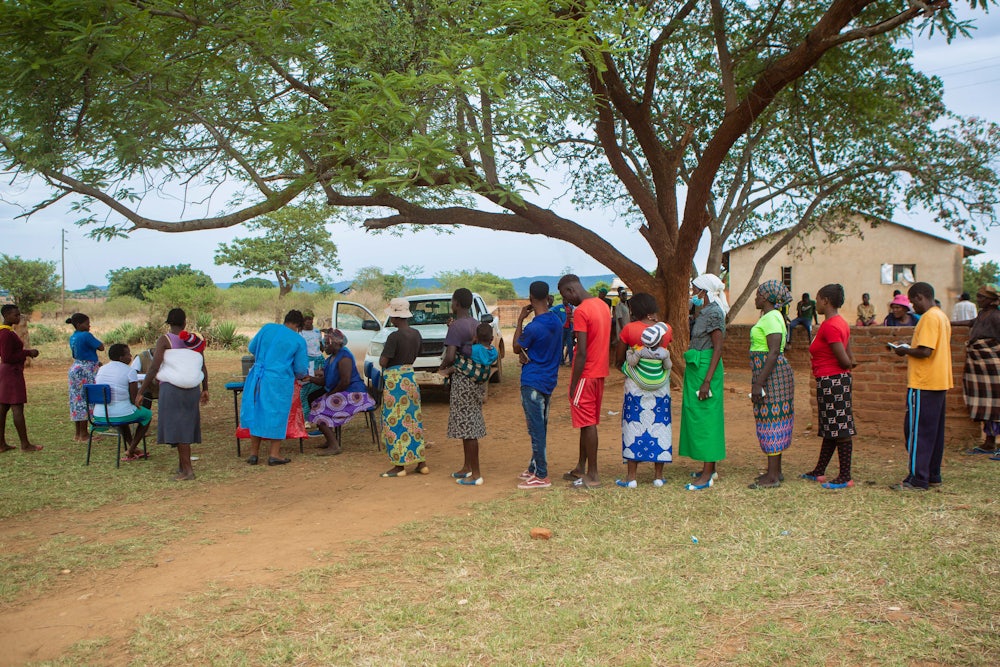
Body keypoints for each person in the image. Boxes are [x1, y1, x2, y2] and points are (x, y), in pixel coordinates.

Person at [890, 282, 952, 491]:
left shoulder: (928, 318)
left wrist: (905, 350)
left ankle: (917, 479)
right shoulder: (941, 316)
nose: (911, 306)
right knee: (932, 432)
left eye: (912, 301)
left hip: (923, 382)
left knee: (917, 432)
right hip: (939, 381)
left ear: (919, 297)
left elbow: (925, 351)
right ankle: (932, 474)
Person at [135, 308, 208, 481]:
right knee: (184, 427)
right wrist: (205, 388)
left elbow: (154, 367)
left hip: (172, 389)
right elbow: (202, 366)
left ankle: (188, 471)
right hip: (192, 389)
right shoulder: (195, 341)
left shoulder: (165, 340)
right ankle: (182, 466)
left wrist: (141, 390)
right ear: (184, 322)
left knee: (179, 428)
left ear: (169, 323)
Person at [614, 294, 672, 488]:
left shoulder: (629, 329)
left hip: (635, 385)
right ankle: (658, 476)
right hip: (661, 385)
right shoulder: (666, 329)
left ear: (634, 311)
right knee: (660, 424)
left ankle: (631, 477)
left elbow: (619, 358)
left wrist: (627, 366)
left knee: (634, 424)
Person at [801, 284, 857, 490]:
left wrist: (844, 368)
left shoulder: (831, 326)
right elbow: (851, 356)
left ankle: (845, 476)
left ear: (826, 301)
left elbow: (844, 360)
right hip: (832, 380)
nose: (816, 304)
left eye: (818, 299)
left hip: (833, 381)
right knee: (831, 428)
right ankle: (819, 471)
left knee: (841, 429)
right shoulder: (840, 323)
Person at [558, 274, 611, 489]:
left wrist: (573, 384)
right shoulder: (602, 306)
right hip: (599, 373)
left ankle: (593, 474)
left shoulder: (581, 312)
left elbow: (580, 352)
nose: (566, 301)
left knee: (588, 424)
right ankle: (581, 467)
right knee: (587, 422)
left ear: (572, 290)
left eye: (565, 296)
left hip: (585, 374)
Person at [239, 310, 308, 467]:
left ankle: (253, 454)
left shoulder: (268, 328)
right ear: (298, 324)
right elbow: (301, 368)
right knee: (277, 414)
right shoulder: (297, 340)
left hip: (257, 376)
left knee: (256, 411)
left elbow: (251, 347)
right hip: (278, 380)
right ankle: (274, 454)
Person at [513, 281, 563, 489]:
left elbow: (516, 347)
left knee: (536, 428)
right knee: (540, 426)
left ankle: (542, 475)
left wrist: (519, 320)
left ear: (531, 299)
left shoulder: (534, 327)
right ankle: (534, 467)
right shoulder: (557, 321)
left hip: (532, 380)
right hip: (548, 379)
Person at [680, 274, 727, 491]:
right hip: (698, 367)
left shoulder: (714, 313)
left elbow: (717, 347)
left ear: (704, 292)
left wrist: (707, 381)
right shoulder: (704, 312)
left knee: (707, 418)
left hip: (706, 368)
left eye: (694, 289)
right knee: (700, 416)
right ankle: (710, 467)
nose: (692, 294)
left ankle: (707, 475)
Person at [749, 280, 795, 489]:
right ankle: (774, 471)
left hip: (771, 375)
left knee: (772, 420)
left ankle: (773, 476)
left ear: (766, 298)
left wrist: (759, 383)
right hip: (769, 374)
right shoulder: (772, 317)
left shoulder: (771, 318)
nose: (756, 298)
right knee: (771, 419)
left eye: (758, 295)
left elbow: (774, 351)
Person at [439, 288, 488, 486]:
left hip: (462, 381)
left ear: (456, 303)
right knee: (468, 423)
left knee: (468, 428)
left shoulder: (456, 326)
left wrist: (441, 368)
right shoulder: (475, 324)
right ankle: (467, 467)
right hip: (475, 380)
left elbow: (450, 356)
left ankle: (476, 474)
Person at [379, 298, 428, 477]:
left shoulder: (394, 336)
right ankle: (421, 462)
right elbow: (417, 354)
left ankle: (399, 466)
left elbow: (383, 361)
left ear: (395, 317)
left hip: (395, 382)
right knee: (414, 421)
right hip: (410, 378)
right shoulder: (416, 334)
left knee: (394, 422)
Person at [308, 329, 375, 455]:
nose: (324, 346)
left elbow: (345, 382)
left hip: (355, 394)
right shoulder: (332, 358)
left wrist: (330, 394)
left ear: (336, 343)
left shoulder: (344, 357)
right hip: (347, 391)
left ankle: (334, 445)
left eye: (327, 344)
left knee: (318, 408)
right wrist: (311, 378)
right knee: (316, 402)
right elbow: (325, 381)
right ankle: (330, 440)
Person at [94, 343, 153, 461]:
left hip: (99, 414)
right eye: (128, 354)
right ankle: (131, 449)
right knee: (147, 415)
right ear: (121, 358)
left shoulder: (101, 369)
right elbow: (133, 399)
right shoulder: (129, 371)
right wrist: (139, 400)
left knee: (123, 416)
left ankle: (132, 447)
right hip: (120, 413)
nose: (131, 356)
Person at [960, 285, 1000, 456]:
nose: (978, 299)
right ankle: (989, 443)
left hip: (992, 365)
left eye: (982, 297)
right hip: (980, 366)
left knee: (997, 405)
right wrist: (947, 322)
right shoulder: (984, 314)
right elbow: (972, 323)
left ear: (992, 301)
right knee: (986, 405)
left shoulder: (997, 316)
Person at [0, 304, 42, 453]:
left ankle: (1, 444)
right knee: (17, 407)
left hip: (6, 373)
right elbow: (6, 357)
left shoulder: (6, 331)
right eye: (15, 315)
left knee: (3, 407)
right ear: (6, 316)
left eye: (18, 315)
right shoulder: (5, 333)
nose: (18, 317)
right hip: (12, 372)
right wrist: (27, 353)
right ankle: (25, 445)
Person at [67, 313, 105, 442]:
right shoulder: (86, 335)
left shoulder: (73, 336)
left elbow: (76, 354)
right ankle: (84, 434)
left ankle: (78, 433)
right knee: (86, 399)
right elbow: (101, 347)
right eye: (87, 323)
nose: (89, 326)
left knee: (76, 400)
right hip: (86, 369)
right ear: (79, 324)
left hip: (76, 367)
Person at [299, 311, 325, 422]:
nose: (309, 321)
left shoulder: (317, 332)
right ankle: (306, 418)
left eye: (311, 318)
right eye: (306, 319)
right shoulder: (300, 334)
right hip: (308, 362)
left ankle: (318, 415)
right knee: (305, 388)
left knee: (320, 387)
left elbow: (321, 347)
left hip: (319, 360)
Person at [550, 300, 575, 365]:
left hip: (569, 329)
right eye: (563, 300)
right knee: (561, 345)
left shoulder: (571, 308)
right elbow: (551, 310)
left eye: (566, 299)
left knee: (570, 345)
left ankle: (571, 361)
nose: (564, 301)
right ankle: (561, 361)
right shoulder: (559, 307)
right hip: (562, 329)